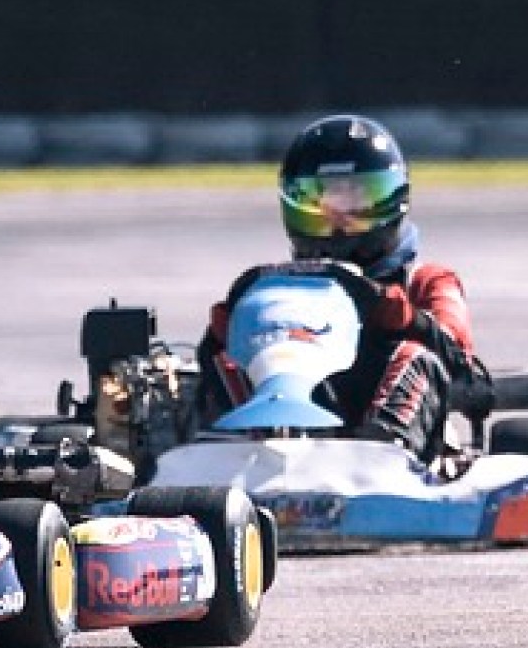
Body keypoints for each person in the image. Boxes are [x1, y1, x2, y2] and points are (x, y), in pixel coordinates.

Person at [197, 114, 480, 461]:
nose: (339, 225)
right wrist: (226, 332)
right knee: (222, 359)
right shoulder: (279, 289)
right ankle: (229, 451)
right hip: (281, 426)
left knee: (416, 356)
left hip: (386, 438)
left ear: (392, 200)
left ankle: (383, 458)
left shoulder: (427, 281)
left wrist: (399, 316)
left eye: (355, 205)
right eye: (323, 207)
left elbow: (465, 371)